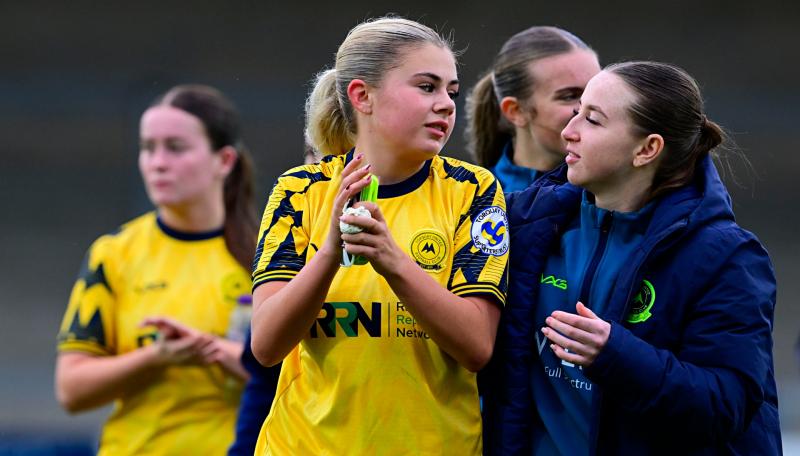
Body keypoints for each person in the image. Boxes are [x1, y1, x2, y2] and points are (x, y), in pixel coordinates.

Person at [484, 62, 780, 454]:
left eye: (592, 120)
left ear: (647, 149)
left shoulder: (727, 257)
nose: (569, 132)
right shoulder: (527, 224)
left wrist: (615, 355)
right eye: (576, 113)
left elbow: (726, 406)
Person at [249, 16, 509, 454]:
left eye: (451, 91)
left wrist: (394, 261)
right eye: (427, 87)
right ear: (362, 95)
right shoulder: (300, 190)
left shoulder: (474, 190)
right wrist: (330, 252)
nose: (446, 104)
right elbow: (267, 345)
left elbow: (477, 346)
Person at [55, 84, 258, 455]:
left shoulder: (269, 254)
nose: (158, 162)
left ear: (224, 161)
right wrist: (156, 356)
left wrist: (214, 351)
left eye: (175, 148)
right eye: (148, 148)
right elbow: (71, 390)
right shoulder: (114, 253)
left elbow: (303, 379)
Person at [465, 26, 600, 192]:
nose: (590, 109)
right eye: (569, 96)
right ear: (516, 111)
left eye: (596, 92)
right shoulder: (474, 202)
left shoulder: (620, 192)